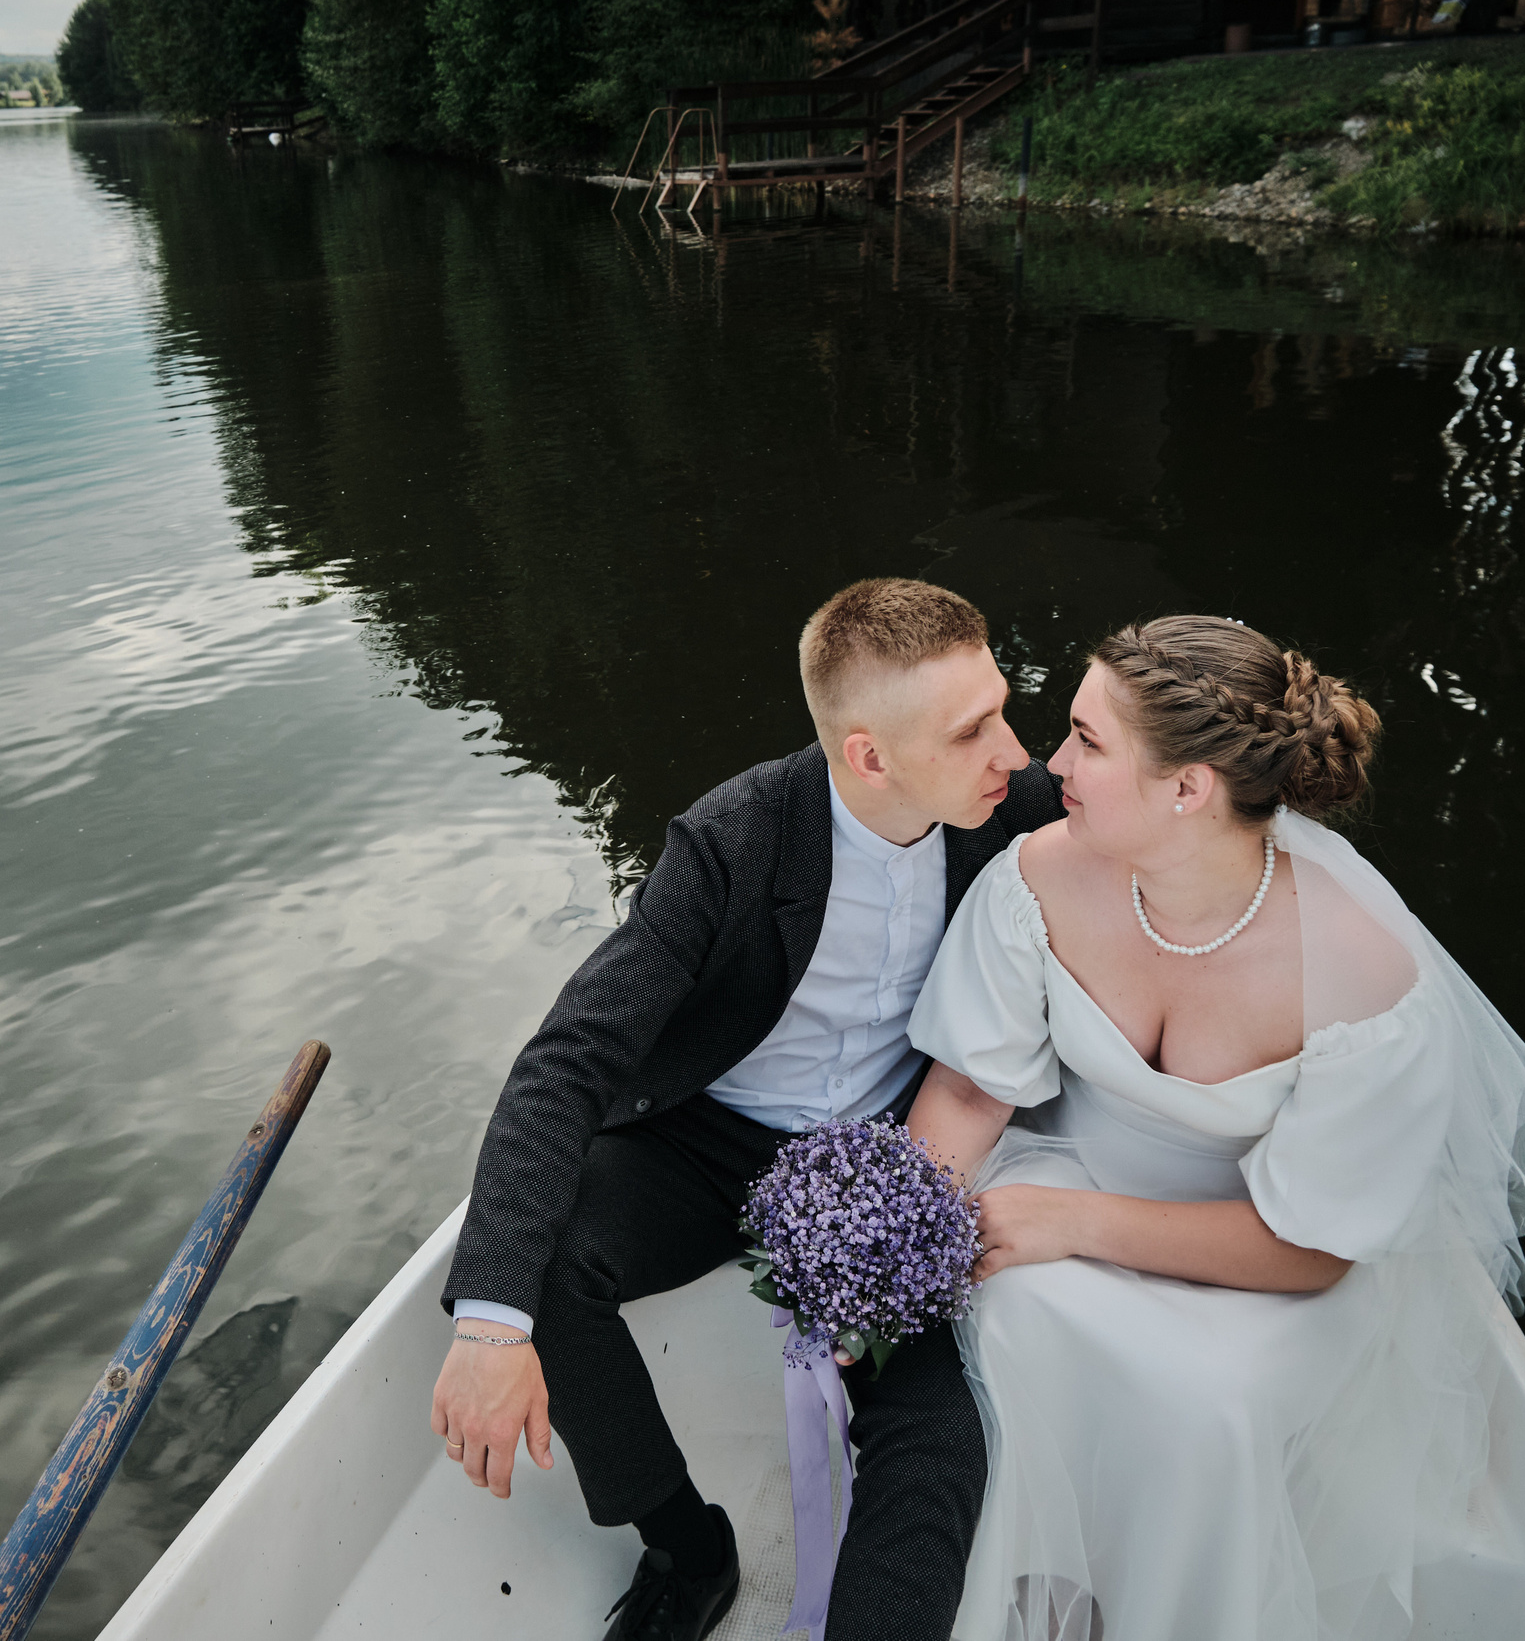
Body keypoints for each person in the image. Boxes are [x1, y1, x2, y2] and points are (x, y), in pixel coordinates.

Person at [906, 616, 1525, 1641]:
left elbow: (1312, 1253)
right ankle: (1038, 1598)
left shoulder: (1361, 975)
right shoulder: (1039, 878)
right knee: (1018, 1311)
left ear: (1188, 789)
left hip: (1273, 1260)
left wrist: (1071, 1223)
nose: (1051, 764)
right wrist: (891, 1239)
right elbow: (966, 1095)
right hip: (1075, 1177)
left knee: (1207, 1402)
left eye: (1087, 742)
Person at [432, 578, 1064, 1641]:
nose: (1014, 749)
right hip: (705, 1140)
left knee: (937, 1432)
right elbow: (567, 1061)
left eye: (1003, 707)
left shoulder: (1016, 811)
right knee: (532, 1270)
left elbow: (1161, 818)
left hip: (882, 1158)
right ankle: (691, 1546)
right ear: (868, 756)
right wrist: (492, 1328)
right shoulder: (731, 842)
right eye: (974, 730)